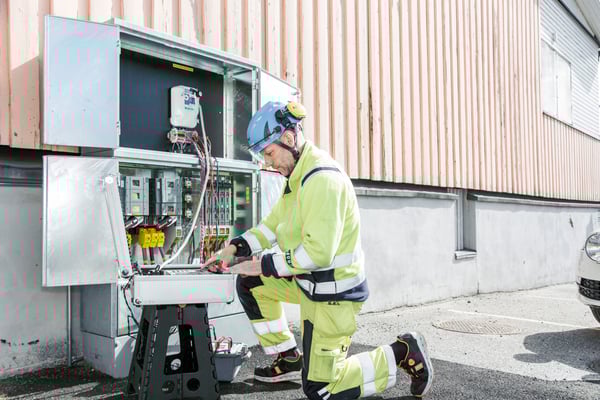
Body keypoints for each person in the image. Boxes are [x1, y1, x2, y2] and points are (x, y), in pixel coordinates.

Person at [206, 101, 433, 399]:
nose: (268, 163)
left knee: (321, 389)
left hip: (333, 297)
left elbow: (317, 254)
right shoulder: (297, 178)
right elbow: (271, 227)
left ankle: (401, 352)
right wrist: (235, 248)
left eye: (269, 153)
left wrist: (261, 263)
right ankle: (288, 358)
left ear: (289, 138)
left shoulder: (322, 179)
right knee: (250, 283)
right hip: (310, 284)